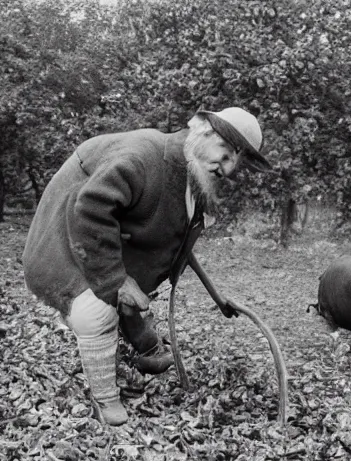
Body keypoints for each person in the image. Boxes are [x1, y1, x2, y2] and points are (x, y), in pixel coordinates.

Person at [22, 107, 271, 425]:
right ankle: (105, 402)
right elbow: (91, 207)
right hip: (61, 242)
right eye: (225, 155)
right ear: (205, 133)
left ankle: (145, 349)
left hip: (101, 241)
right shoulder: (143, 157)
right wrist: (116, 280)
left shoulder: (191, 174)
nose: (228, 169)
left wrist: (217, 297)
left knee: (135, 292)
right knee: (98, 311)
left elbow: (181, 243)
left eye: (236, 163)